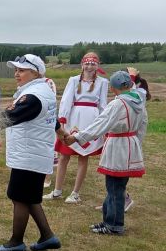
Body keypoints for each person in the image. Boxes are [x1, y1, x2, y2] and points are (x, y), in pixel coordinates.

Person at [0, 54, 66, 251]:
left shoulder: (33, 97)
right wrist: (62, 133)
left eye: (22, 70)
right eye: (16, 70)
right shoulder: (43, 91)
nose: (17, 74)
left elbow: (7, 117)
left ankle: (16, 242)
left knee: (18, 197)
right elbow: (52, 120)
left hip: (28, 154)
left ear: (36, 72)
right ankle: (48, 236)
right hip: (34, 153)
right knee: (30, 198)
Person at [63, 70, 147, 235]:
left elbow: (100, 124)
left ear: (113, 88)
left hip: (119, 146)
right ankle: (109, 220)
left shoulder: (118, 104)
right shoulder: (138, 101)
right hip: (130, 144)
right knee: (117, 186)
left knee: (114, 187)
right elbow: (143, 125)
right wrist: (137, 143)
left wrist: (78, 137)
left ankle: (114, 225)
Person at [45, 52, 109, 204]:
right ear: (82, 64)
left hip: (91, 121)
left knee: (83, 156)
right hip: (73, 120)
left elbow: (103, 105)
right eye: (87, 63)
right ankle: (57, 191)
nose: (89, 66)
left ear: (97, 65)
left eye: (93, 63)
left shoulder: (103, 82)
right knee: (63, 155)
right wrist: (62, 120)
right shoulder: (73, 80)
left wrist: (103, 125)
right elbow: (67, 100)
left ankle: (75, 193)